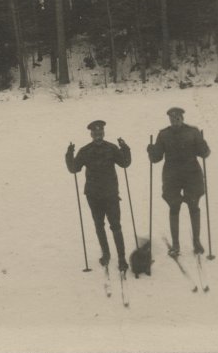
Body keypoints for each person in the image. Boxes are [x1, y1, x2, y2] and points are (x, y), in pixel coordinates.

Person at [66, 120, 132, 272]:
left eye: (100, 133)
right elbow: (74, 168)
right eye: (95, 134)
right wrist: (69, 154)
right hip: (93, 195)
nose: (98, 136)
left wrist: (125, 148)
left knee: (116, 225)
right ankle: (106, 254)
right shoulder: (85, 151)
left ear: (103, 133)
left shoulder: (112, 148)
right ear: (91, 134)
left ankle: (121, 258)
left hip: (111, 194)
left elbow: (125, 163)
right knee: (99, 225)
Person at [147, 107, 210, 256]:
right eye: (172, 119)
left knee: (194, 205)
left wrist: (203, 146)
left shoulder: (193, 132)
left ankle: (196, 242)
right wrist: (151, 151)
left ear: (182, 118)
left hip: (192, 174)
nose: (175, 121)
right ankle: (175, 244)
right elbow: (156, 158)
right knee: (174, 206)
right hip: (172, 175)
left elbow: (204, 153)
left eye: (177, 118)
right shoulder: (164, 134)